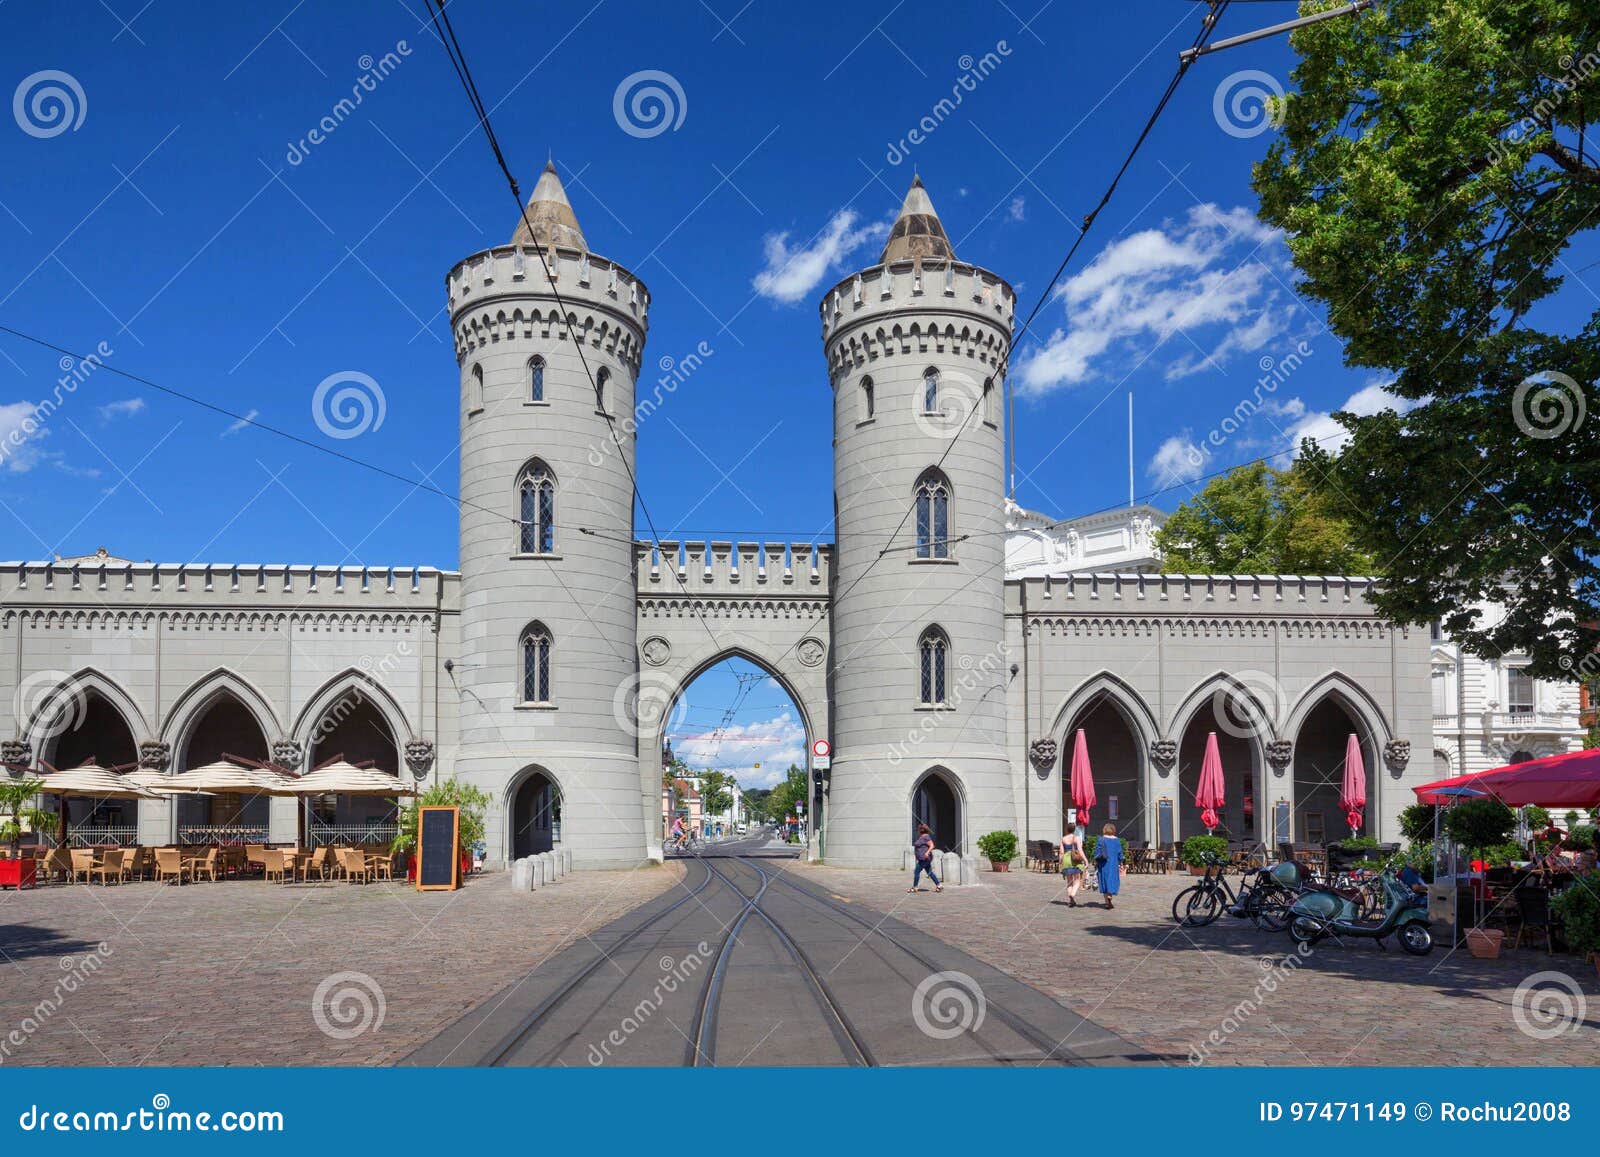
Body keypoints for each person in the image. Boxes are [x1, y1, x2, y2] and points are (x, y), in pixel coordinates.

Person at [1095, 823, 1123, 909]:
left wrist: (1095, 861)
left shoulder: (1101, 839)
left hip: (1103, 863)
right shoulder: (1117, 840)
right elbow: (1120, 853)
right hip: (1114, 863)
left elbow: (1097, 852)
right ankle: (1110, 896)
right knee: (1112, 879)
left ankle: (1107, 902)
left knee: (1104, 880)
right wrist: (1121, 862)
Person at [909, 823, 943, 893]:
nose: (918, 830)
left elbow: (932, 845)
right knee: (929, 872)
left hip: (924, 859)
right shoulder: (922, 837)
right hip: (923, 859)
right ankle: (939, 885)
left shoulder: (926, 837)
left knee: (916, 872)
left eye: (919, 829)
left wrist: (927, 853)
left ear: (921, 830)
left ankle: (915, 887)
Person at [1059, 826, 1086, 906]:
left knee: (1069, 881)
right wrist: (1085, 860)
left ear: (1067, 829)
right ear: (1074, 830)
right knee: (1077, 879)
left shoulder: (1063, 839)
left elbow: (1061, 852)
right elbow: (1080, 850)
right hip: (1075, 860)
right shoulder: (1076, 838)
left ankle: (1071, 901)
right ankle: (1072, 894)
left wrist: (1060, 862)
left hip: (1066, 860)